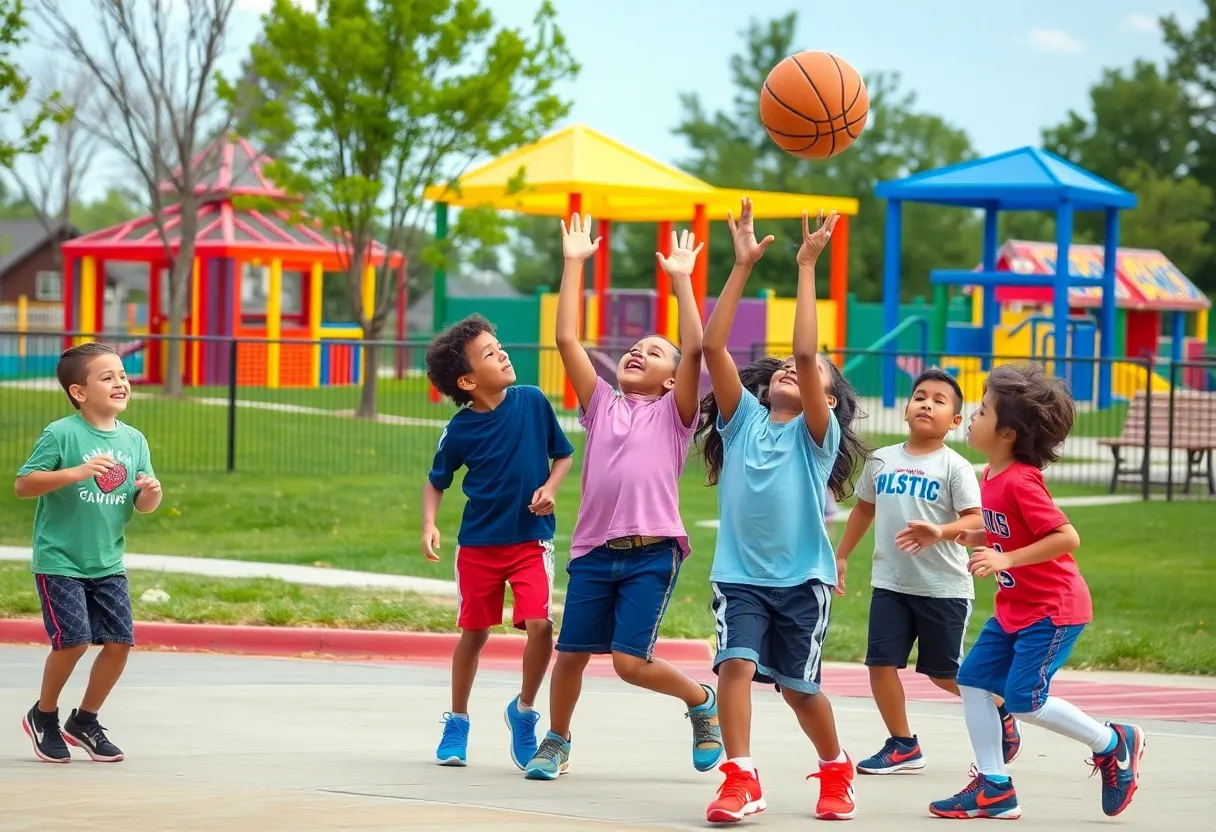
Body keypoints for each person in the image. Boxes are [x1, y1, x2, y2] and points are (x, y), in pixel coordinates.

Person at [523, 215, 723, 781]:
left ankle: (699, 700)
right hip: (593, 551)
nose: (638, 351)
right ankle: (555, 741)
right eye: (634, 347)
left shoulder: (674, 415)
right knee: (571, 656)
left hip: (651, 552)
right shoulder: (601, 404)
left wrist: (682, 280)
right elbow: (567, 339)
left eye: (652, 352)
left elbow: (694, 351)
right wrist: (574, 263)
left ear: (669, 379)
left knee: (631, 664)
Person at [696, 201, 868, 823]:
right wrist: (741, 265)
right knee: (734, 665)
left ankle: (834, 767)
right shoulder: (741, 421)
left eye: (813, 373)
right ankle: (740, 779)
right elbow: (711, 344)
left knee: (799, 690)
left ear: (824, 393)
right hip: (739, 577)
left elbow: (802, 351)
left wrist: (805, 267)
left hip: (800, 583)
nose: (797, 373)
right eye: (788, 373)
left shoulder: (813, 438)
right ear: (765, 385)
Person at [929, 363, 1145, 820]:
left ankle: (1112, 741)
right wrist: (971, 538)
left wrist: (1005, 559)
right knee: (971, 680)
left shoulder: (1022, 480)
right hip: (1016, 610)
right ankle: (995, 787)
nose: (973, 415)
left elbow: (1066, 538)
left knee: (1025, 701)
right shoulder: (989, 475)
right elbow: (1011, 532)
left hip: (1053, 610)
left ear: (1007, 433)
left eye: (983, 410)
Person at [835, 368, 1022, 775]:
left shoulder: (954, 467)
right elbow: (864, 509)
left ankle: (1002, 709)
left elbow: (977, 521)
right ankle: (903, 744)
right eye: (920, 396)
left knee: (944, 674)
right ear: (906, 409)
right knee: (880, 665)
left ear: (955, 422)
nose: (927, 404)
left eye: (940, 401)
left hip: (943, 588)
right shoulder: (881, 460)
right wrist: (842, 554)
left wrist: (939, 531)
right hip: (890, 583)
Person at [422, 314, 575, 770]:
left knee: (541, 626)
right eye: (490, 353)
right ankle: (458, 720)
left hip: (531, 541)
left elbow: (563, 455)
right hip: (478, 548)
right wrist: (430, 522)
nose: (503, 353)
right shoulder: (461, 430)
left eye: (499, 345)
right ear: (467, 380)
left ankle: (524, 711)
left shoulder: (532, 402)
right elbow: (436, 480)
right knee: (474, 633)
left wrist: (550, 488)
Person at [16, 342, 162, 764]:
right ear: (79, 392)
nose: (120, 383)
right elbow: (24, 485)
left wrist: (151, 493)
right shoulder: (62, 433)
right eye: (107, 377)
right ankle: (44, 715)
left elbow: (143, 504)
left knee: (119, 643)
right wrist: (77, 472)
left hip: (108, 562)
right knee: (73, 641)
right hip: (60, 559)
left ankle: (84, 720)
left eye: (122, 375)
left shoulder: (134, 440)